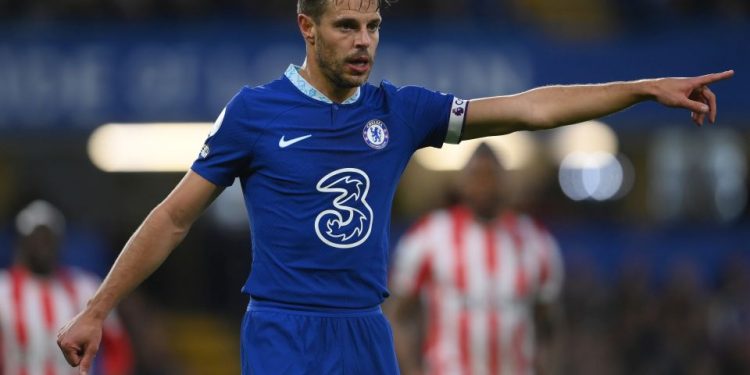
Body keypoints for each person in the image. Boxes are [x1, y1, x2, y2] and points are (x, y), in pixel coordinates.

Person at [56, 0, 734, 374]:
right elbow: (173, 218)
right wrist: (96, 308)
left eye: (374, 25)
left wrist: (641, 89)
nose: (364, 41)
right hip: (283, 329)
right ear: (307, 27)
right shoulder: (255, 112)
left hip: (364, 330)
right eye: (347, 26)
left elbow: (531, 107)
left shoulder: (399, 111)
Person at [387, 144, 564, 375]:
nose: (484, 186)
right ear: (462, 183)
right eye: (477, 176)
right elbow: (397, 312)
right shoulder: (430, 236)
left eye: (491, 176)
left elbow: (549, 323)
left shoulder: (536, 241)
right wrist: (412, 369)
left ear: (506, 182)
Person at [0, 200, 133, 375]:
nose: (43, 245)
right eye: (37, 237)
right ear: (23, 242)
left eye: (48, 238)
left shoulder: (86, 288)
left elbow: (117, 346)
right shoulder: (4, 288)